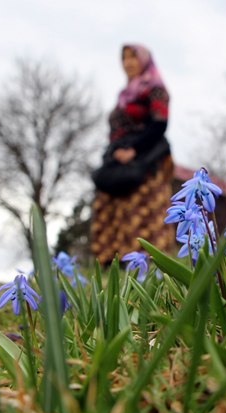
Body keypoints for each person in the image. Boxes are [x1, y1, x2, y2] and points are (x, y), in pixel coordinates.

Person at [90, 44, 174, 266]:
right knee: (112, 209)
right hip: (117, 161)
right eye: (124, 59)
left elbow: (159, 124)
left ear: (144, 60)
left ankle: (147, 264)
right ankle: (112, 262)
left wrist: (133, 149)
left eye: (133, 58)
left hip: (145, 162)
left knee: (140, 211)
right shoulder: (125, 95)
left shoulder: (155, 89)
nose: (128, 63)